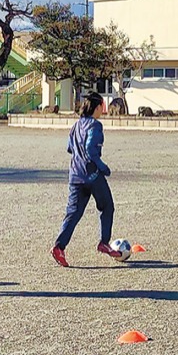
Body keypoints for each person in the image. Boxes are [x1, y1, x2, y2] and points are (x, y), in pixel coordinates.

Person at [51, 92, 120, 267]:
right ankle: (104, 243)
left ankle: (59, 247)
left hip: (75, 175)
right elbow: (90, 149)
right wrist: (102, 166)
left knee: (73, 213)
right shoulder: (95, 126)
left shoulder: (76, 125)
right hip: (92, 175)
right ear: (97, 107)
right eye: (102, 107)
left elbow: (69, 148)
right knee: (107, 207)